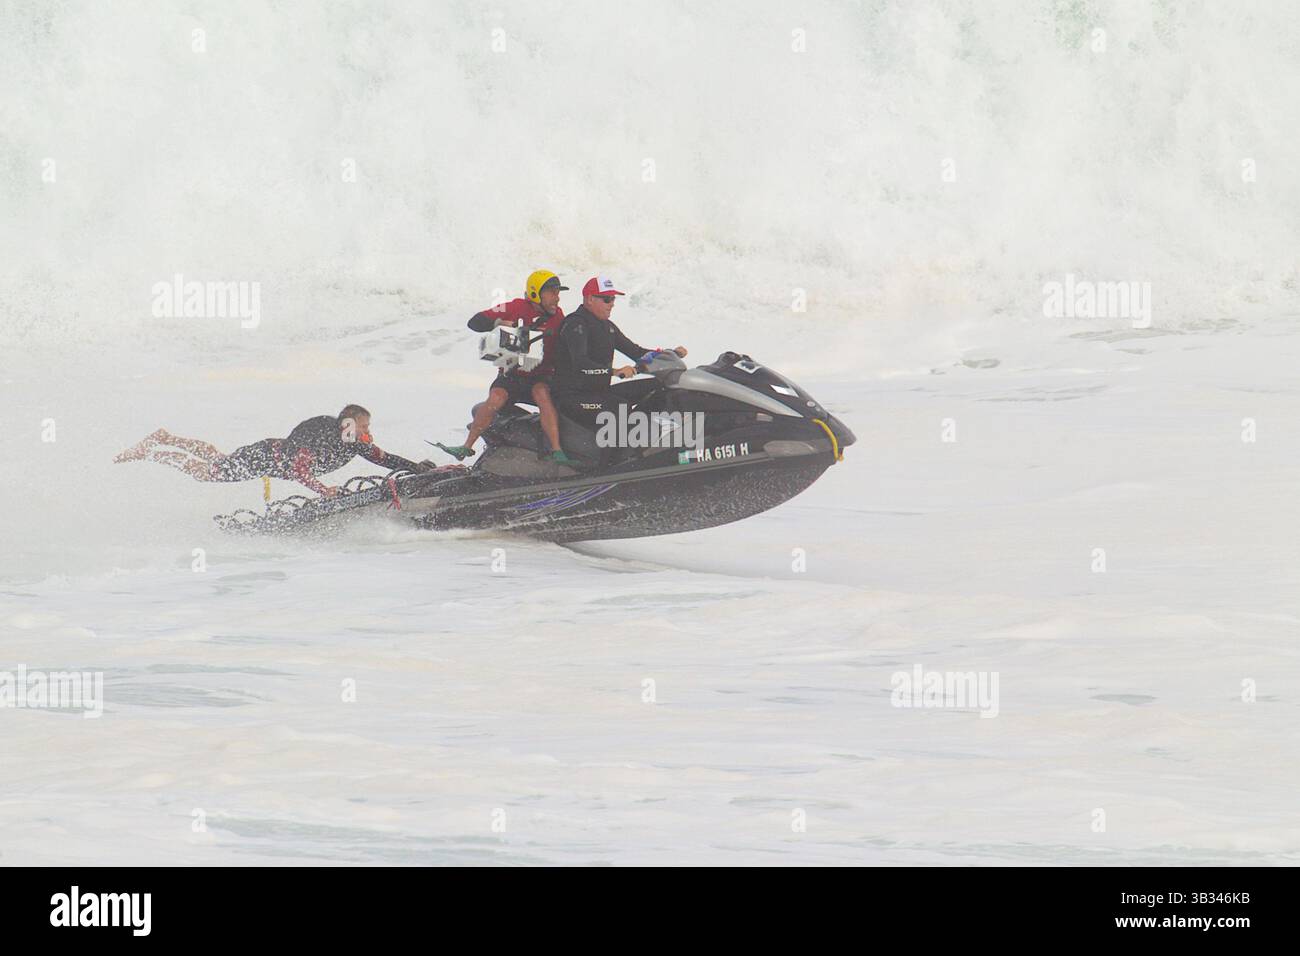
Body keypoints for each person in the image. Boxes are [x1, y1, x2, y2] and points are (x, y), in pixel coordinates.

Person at [113, 405, 429, 497]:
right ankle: (153, 451)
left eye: (366, 426)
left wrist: (419, 468)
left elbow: (383, 458)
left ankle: (165, 437)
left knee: (218, 460)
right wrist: (323, 490)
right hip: (263, 456)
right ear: (347, 423)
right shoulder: (322, 432)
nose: (365, 432)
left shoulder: (353, 442)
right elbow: (299, 469)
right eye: (362, 426)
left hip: (266, 456)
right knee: (208, 474)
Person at [439, 270, 575, 465]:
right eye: (552, 292)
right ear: (536, 293)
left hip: (540, 376)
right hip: (512, 375)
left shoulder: (559, 317)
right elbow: (475, 322)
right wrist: (499, 322)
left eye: (558, 293)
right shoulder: (515, 307)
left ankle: (557, 451)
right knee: (496, 397)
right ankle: (466, 446)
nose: (557, 298)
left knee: (542, 394)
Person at [551, 276, 688, 428]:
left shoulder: (607, 327)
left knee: (658, 385)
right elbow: (580, 363)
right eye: (607, 299)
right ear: (590, 299)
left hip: (599, 393)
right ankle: (618, 450)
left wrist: (669, 354)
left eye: (613, 299)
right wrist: (614, 372)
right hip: (573, 397)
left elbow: (636, 352)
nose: (612, 304)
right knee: (619, 406)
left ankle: (648, 439)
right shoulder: (576, 324)